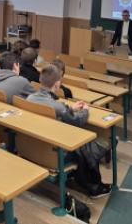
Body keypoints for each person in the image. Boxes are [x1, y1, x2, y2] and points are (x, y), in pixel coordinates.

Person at [27, 65, 111, 198]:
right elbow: (78, 120)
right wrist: (85, 110)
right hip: (55, 154)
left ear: (40, 79)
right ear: (57, 84)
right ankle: (94, 186)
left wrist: (70, 108)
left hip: (36, 147)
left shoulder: (30, 98)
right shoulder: (57, 106)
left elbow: (56, 109)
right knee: (86, 146)